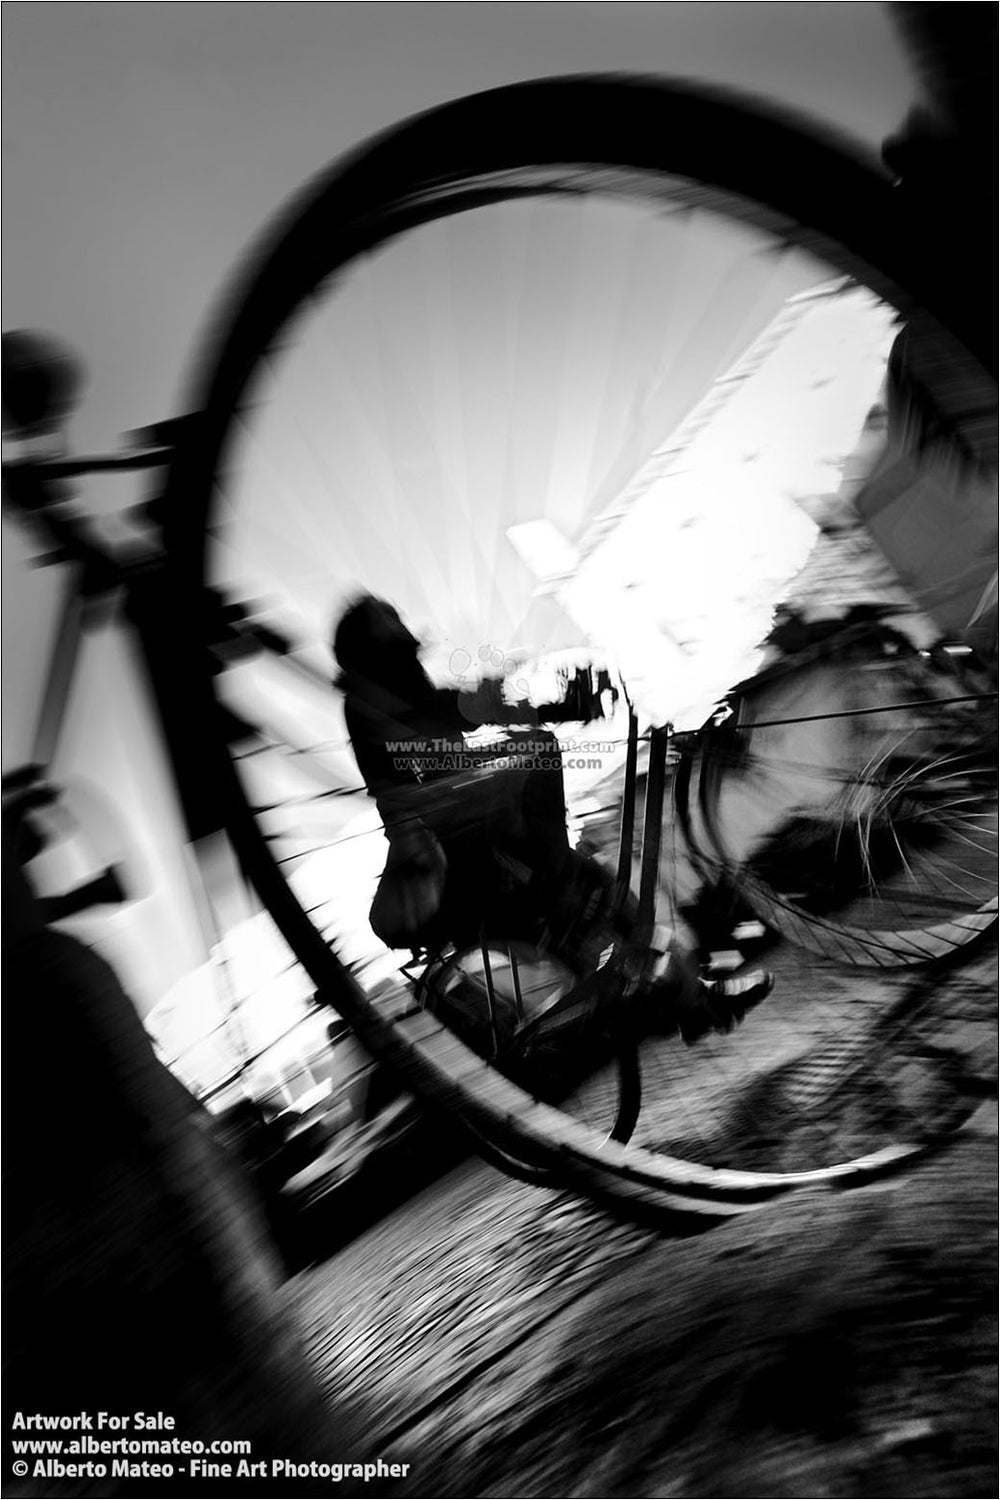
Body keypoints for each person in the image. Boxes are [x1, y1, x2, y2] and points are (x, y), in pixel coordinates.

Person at [334, 593, 773, 1039]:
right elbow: (406, 784)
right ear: (373, 651)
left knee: (622, 906)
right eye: (389, 623)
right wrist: (516, 740)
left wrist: (563, 704)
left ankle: (698, 1004)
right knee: (535, 758)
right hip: (466, 864)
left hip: (503, 842)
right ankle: (658, 999)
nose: (404, 628)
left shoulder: (418, 695)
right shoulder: (367, 707)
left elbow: (474, 705)